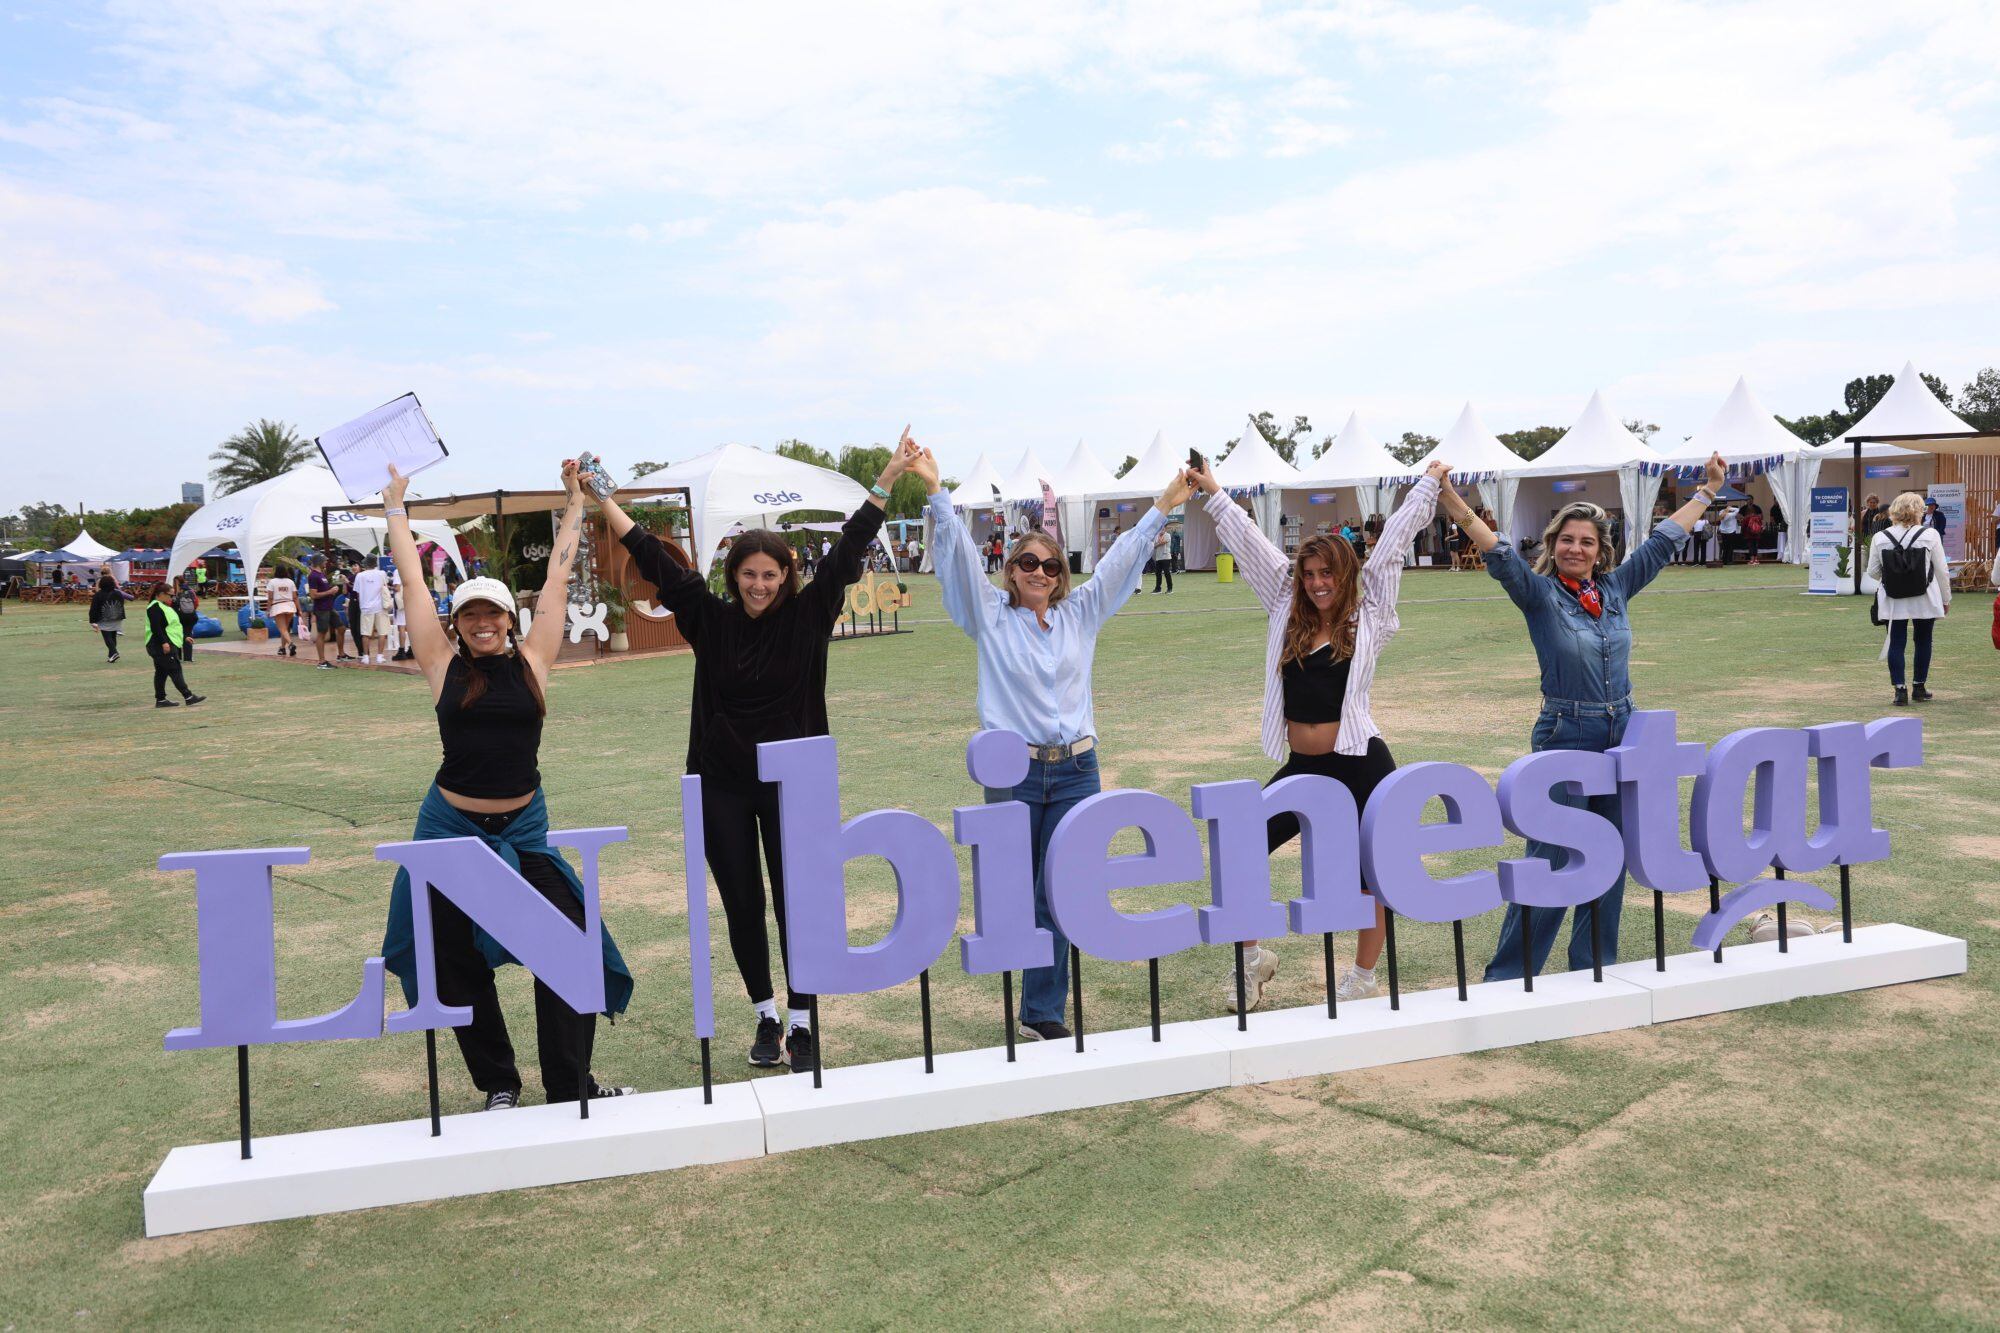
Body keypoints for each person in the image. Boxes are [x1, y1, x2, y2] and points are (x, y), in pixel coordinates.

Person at [595, 437, 916, 1073]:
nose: (760, 585)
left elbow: (849, 548)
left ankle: (802, 1020)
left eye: (771, 575)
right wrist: (602, 498)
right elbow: (654, 558)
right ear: (734, 576)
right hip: (723, 784)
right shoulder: (709, 619)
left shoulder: (810, 614)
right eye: (749, 574)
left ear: (787, 577)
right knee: (744, 904)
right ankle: (765, 1015)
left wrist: (886, 478)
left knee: (799, 904)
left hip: (794, 787)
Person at [378, 460, 635, 1111]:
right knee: (452, 956)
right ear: (457, 623)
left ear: (509, 618)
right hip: (450, 829)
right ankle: (499, 1083)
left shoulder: (533, 660)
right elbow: (412, 580)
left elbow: (557, 578)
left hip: (523, 830)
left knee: (571, 943)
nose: (482, 622)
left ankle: (570, 1085)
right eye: (470, 614)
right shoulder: (441, 664)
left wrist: (574, 503)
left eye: (492, 612)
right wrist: (396, 509)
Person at [923, 444, 1194, 1041]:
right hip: (1013, 772)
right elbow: (960, 563)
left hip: (1076, 770)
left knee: (1061, 889)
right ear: (1010, 569)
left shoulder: (1080, 615)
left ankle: (1042, 1013)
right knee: (1015, 892)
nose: (1039, 573)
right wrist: (938, 494)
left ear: (1061, 575)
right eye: (1027, 563)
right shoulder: (991, 616)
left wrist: (1163, 507)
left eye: (1050, 566)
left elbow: (1120, 562)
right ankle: (1025, 994)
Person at [1441, 451, 1728, 982]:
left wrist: (1708, 491)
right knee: (1553, 859)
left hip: (1624, 735)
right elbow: (1498, 551)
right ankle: (1509, 974)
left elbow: (1664, 540)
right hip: (1566, 734)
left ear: (1601, 551)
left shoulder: (1615, 589)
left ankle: (1595, 966)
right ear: (1553, 545)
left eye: (1587, 542)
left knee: (1609, 854)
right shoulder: (1539, 594)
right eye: (1567, 540)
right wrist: (1452, 499)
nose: (1575, 548)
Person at [1193, 458, 1446, 1008]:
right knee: (1241, 846)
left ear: (1346, 573)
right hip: (1303, 767)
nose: (1317, 584)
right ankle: (1252, 961)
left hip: (1359, 763)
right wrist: (1213, 492)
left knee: (1369, 872)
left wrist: (1427, 487)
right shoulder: (1287, 608)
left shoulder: (1370, 613)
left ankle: (1363, 978)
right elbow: (1251, 544)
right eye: (1308, 575)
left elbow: (1393, 546)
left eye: (1327, 574)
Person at [1867, 491, 1951, 706]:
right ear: (1919, 511)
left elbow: (1873, 571)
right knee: (1923, 640)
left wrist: (1893, 577)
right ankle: (1919, 687)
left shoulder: (1880, 537)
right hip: (1925, 596)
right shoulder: (1930, 534)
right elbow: (1941, 570)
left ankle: (1899, 691)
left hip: (1893, 598)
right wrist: (1946, 598)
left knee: (1896, 642)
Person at [143, 583, 205, 708]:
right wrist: (164, 643)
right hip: (160, 644)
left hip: (163, 643)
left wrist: (184, 637)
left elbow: (170, 626)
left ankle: (161, 700)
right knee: (175, 669)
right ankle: (188, 696)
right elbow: (156, 628)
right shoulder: (154, 608)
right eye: (170, 595)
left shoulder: (163, 606)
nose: (173, 598)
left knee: (161, 672)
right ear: (161, 594)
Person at [353, 556, 392, 665]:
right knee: (382, 632)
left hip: (366, 607)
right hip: (380, 607)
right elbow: (385, 586)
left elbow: (357, 592)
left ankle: (366, 657)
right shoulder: (382, 573)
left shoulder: (360, 576)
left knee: (365, 633)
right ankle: (380, 656)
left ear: (366, 564)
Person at [88, 573, 131, 662]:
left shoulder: (98, 594)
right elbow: (121, 604)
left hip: (104, 618)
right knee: (113, 636)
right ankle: (111, 655)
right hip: (117, 617)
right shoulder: (118, 593)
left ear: (101, 584)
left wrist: (92, 620)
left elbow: (94, 608)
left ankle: (114, 652)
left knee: (107, 637)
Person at [306, 554, 338, 670]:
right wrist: (330, 592)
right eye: (324, 561)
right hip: (321, 609)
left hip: (328, 607)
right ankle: (321, 661)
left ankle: (341, 654)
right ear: (319, 562)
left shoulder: (321, 574)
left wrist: (331, 591)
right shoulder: (313, 576)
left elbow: (323, 590)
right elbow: (313, 595)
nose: (326, 562)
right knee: (322, 633)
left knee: (341, 628)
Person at [265, 567, 299, 657]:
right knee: (285, 629)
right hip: (290, 606)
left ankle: (291, 644)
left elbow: (270, 598)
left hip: (278, 606)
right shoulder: (290, 582)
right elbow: (295, 597)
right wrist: (299, 609)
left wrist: (268, 610)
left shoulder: (272, 582)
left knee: (282, 629)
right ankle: (282, 648)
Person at [172, 576, 200, 659]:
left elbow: (171, 604)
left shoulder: (174, 592)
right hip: (191, 616)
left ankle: (178, 656)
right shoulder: (191, 591)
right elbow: (196, 603)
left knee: (177, 634)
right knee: (188, 634)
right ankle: (188, 657)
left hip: (179, 616)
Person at [1151, 528, 1174, 593]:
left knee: (1166, 572)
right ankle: (1158, 589)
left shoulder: (1167, 535)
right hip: (1158, 557)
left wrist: (1157, 544)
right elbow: (1154, 545)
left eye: (1163, 529)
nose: (1161, 531)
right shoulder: (1156, 536)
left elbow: (1163, 542)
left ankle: (1169, 588)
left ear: (1165, 530)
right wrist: (1156, 544)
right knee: (1158, 573)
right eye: (1160, 529)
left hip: (1166, 556)